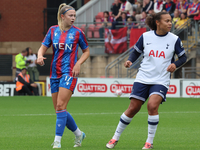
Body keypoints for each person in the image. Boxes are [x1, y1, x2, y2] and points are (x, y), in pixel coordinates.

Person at [106, 12, 187, 149]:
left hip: (161, 79)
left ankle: (149, 142)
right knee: (133, 109)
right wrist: (129, 60)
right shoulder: (145, 37)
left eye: (170, 21)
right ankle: (115, 138)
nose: (170, 23)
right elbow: (136, 51)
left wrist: (175, 64)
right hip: (143, 77)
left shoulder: (174, 39)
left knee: (152, 106)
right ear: (158, 22)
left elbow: (184, 58)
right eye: (167, 21)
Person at [36, 3, 90, 149]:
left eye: (74, 16)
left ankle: (57, 142)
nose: (73, 18)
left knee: (60, 106)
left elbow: (86, 51)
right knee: (59, 110)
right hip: (54, 73)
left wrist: (78, 63)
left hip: (69, 72)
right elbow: (42, 47)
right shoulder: (53, 30)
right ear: (62, 16)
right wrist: (40, 56)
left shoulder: (78, 32)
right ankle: (79, 134)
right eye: (70, 16)